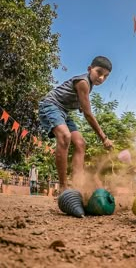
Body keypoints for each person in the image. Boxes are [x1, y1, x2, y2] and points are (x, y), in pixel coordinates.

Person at [39, 56, 113, 193]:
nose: (101, 78)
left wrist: (79, 105)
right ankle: (63, 187)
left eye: (106, 76)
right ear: (90, 69)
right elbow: (88, 115)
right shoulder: (83, 82)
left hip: (64, 112)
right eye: (99, 72)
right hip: (50, 105)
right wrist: (104, 138)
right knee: (65, 136)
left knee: (80, 143)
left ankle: (78, 185)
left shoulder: (89, 86)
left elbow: (76, 100)